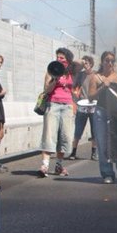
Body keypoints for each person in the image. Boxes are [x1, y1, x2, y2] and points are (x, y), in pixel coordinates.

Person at [89, 51, 117, 184]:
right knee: (103, 144)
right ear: (102, 62)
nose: (110, 63)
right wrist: (103, 87)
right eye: (107, 60)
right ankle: (107, 173)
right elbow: (91, 97)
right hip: (101, 112)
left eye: (112, 60)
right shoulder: (95, 77)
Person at [39, 47, 78, 178]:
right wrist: (55, 79)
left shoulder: (71, 72)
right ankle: (45, 165)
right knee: (49, 134)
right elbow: (47, 90)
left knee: (65, 136)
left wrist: (68, 65)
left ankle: (59, 165)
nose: (59, 59)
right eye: (57, 57)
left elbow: (81, 63)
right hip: (53, 104)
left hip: (67, 106)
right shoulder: (51, 71)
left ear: (68, 60)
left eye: (62, 57)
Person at [69, 55, 96, 160]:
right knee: (78, 130)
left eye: (88, 62)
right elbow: (72, 86)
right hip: (82, 105)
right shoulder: (80, 75)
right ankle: (73, 152)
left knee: (95, 131)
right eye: (84, 63)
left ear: (92, 64)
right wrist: (75, 99)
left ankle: (94, 153)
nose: (86, 64)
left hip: (94, 105)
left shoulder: (96, 75)